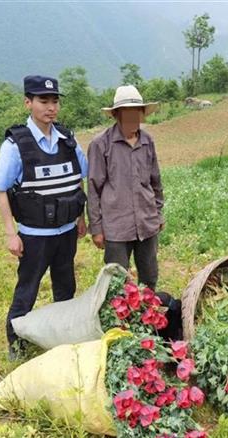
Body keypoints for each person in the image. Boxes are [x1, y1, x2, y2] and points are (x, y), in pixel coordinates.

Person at [0, 75, 88, 360]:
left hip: (67, 232)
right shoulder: (16, 145)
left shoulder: (68, 140)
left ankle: (63, 339)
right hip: (34, 236)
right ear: (28, 102)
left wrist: (80, 217)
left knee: (66, 287)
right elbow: (0, 190)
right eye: (43, 101)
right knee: (27, 290)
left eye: (54, 100)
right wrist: (11, 233)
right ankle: (16, 345)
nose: (50, 107)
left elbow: (77, 180)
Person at [87, 85, 164, 290]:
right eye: (127, 112)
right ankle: (120, 322)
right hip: (116, 226)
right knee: (117, 282)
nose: (133, 117)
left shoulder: (148, 141)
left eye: (136, 111)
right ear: (116, 114)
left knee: (149, 276)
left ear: (141, 113)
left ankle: (148, 318)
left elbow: (155, 181)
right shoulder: (100, 144)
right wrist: (96, 228)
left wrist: (158, 214)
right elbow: (93, 188)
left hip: (147, 221)